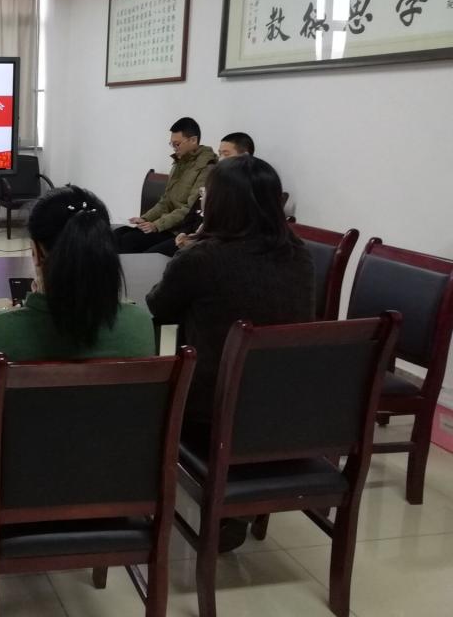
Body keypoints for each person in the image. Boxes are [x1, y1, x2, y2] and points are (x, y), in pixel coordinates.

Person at [145, 155, 314, 551]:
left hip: (210, 414)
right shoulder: (300, 255)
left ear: (220, 204)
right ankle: (237, 506)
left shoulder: (202, 258)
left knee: (144, 392)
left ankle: (134, 500)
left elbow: (158, 306)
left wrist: (193, 244)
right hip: (287, 410)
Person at [0, 185, 157, 466]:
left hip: (24, 480)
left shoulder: (3, 329)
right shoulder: (139, 323)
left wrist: (28, 308)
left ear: (35, 252)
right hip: (115, 473)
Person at [114, 116, 217, 254]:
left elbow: (189, 209)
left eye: (177, 144)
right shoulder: (179, 162)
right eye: (172, 144)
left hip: (181, 231)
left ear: (193, 140)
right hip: (167, 226)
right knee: (118, 235)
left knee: (135, 245)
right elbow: (165, 201)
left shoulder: (206, 168)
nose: (174, 148)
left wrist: (156, 225)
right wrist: (145, 218)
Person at [149, 131, 257, 256]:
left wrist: (197, 241)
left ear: (244, 156)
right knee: (148, 252)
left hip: (213, 249)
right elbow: (191, 214)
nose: (221, 159)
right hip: (193, 239)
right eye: (220, 154)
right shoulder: (215, 181)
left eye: (226, 154)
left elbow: (227, 232)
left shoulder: (248, 189)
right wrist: (184, 233)